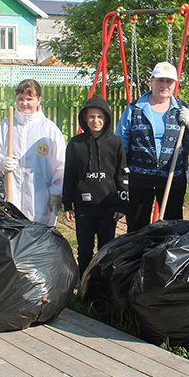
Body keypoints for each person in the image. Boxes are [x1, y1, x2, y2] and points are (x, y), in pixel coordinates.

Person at [115, 61, 189, 232]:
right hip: (139, 179)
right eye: (160, 80)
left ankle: (164, 259)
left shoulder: (181, 109)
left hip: (171, 178)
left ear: (175, 84)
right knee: (137, 228)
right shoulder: (134, 108)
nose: (165, 85)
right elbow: (121, 142)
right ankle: (138, 258)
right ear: (151, 81)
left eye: (169, 81)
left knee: (171, 228)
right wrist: (120, 174)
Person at [0, 79, 66, 227]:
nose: (24, 103)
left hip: (40, 199)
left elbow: (60, 166)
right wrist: (0, 163)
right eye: (20, 99)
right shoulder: (6, 126)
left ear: (39, 100)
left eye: (29, 99)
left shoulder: (49, 130)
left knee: (37, 237)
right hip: (12, 195)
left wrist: (56, 194)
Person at [62, 96, 128, 275]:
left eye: (99, 117)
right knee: (84, 250)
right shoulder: (75, 144)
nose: (95, 121)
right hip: (84, 207)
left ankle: (102, 286)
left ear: (106, 118)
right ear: (84, 118)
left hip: (108, 207)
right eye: (91, 117)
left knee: (106, 250)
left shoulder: (116, 143)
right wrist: (67, 204)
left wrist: (122, 205)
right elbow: (69, 175)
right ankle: (84, 285)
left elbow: (122, 175)